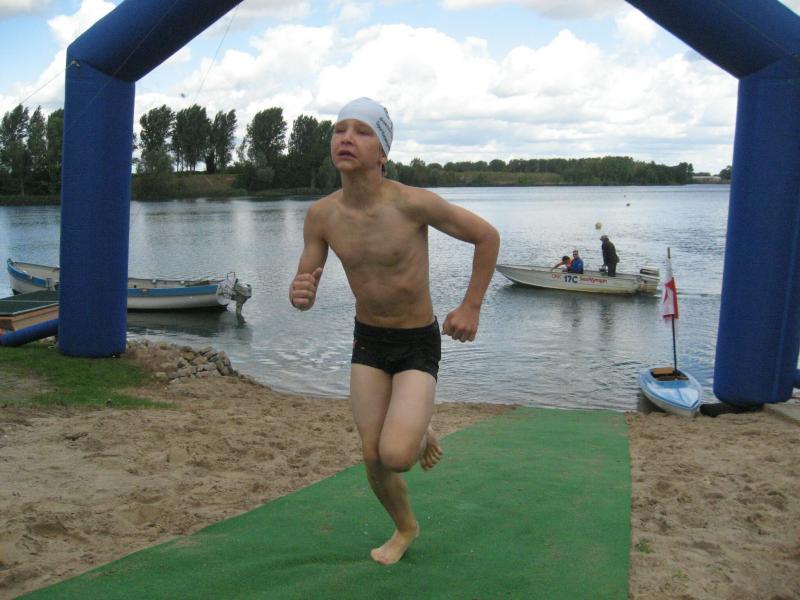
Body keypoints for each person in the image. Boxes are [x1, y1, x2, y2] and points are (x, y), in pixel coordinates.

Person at [289, 97, 500, 566]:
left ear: (383, 152)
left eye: (361, 131)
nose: (346, 138)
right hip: (368, 340)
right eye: (340, 129)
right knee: (372, 455)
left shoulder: (411, 203)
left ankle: (419, 429)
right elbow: (305, 282)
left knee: (398, 455)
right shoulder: (322, 215)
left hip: (415, 342)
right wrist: (299, 292)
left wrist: (471, 306)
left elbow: (487, 237)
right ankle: (405, 527)